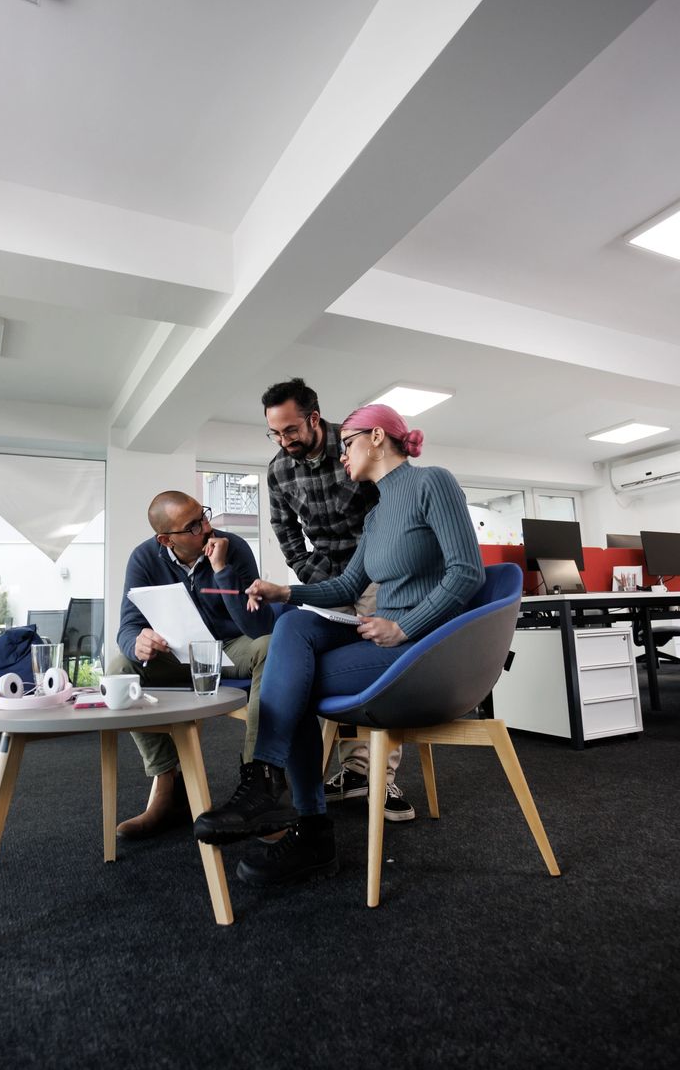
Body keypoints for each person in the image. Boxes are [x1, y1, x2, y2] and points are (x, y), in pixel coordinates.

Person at [193, 405, 485, 886]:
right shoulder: (376, 514)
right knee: (292, 628)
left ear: (375, 437)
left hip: (422, 648)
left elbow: (467, 572)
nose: (340, 452)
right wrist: (285, 592)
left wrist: (406, 626)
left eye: (346, 443)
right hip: (384, 635)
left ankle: (305, 824)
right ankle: (269, 781)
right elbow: (347, 586)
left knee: (294, 681)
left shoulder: (433, 482)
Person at [261, 377, 414, 822]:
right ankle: (353, 771)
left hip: (375, 571)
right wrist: (307, 572)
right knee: (329, 672)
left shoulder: (356, 444)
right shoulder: (279, 470)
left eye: (290, 430)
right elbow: (284, 527)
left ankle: (381, 780)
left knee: (377, 666)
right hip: (327, 575)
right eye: (274, 433)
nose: (283, 440)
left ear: (313, 418)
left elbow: (392, 501)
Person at [115, 491, 276, 838]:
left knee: (269, 646)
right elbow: (127, 627)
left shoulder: (232, 547)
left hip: (230, 648)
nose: (206, 527)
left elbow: (258, 626)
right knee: (120, 665)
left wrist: (221, 571)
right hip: (176, 652)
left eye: (203, 516)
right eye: (193, 526)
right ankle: (167, 783)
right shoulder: (144, 558)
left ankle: (258, 781)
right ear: (165, 539)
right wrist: (138, 641)